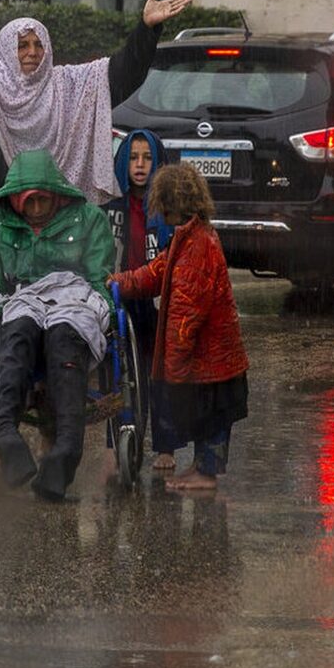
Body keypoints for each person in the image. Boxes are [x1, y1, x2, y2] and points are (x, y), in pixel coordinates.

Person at [0, 0, 193, 251]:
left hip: (59, 227)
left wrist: (146, 30)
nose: (32, 52)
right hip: (1, 225)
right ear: (6, 50)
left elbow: (122, 75)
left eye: (39, 45)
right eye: (22, 45)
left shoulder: (69, 84)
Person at [0, 149, 114, 501]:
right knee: (15, 335)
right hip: (22, 298)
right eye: (29, 202)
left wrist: (104, 310)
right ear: (16, 200)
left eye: (43, 202)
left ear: (56, 195)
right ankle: (5, 435)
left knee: (65, 339)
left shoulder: (90, 219)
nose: (36, 210)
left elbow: (98, 277)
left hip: (72, 296)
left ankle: (64, 453)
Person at [109, 163, 249, 491]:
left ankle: (207, 472)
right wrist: (118, 282)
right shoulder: (189, 237)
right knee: (209, 416)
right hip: (213, 359)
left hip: (212, 361)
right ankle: (201, 467)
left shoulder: (197, 246)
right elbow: (156, 273)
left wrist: (173, 369)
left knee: (212, 415)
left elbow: (186, 315)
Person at [101, 129, 179, 472]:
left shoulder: (166, 209)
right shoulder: (110, 207)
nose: (140, 165)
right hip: (117, 300)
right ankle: (113, 442)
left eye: (147, 158)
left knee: (156, 374)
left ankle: (164, 446)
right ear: (122, 163)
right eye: (133, 158)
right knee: (115, 373)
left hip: (152, 301)